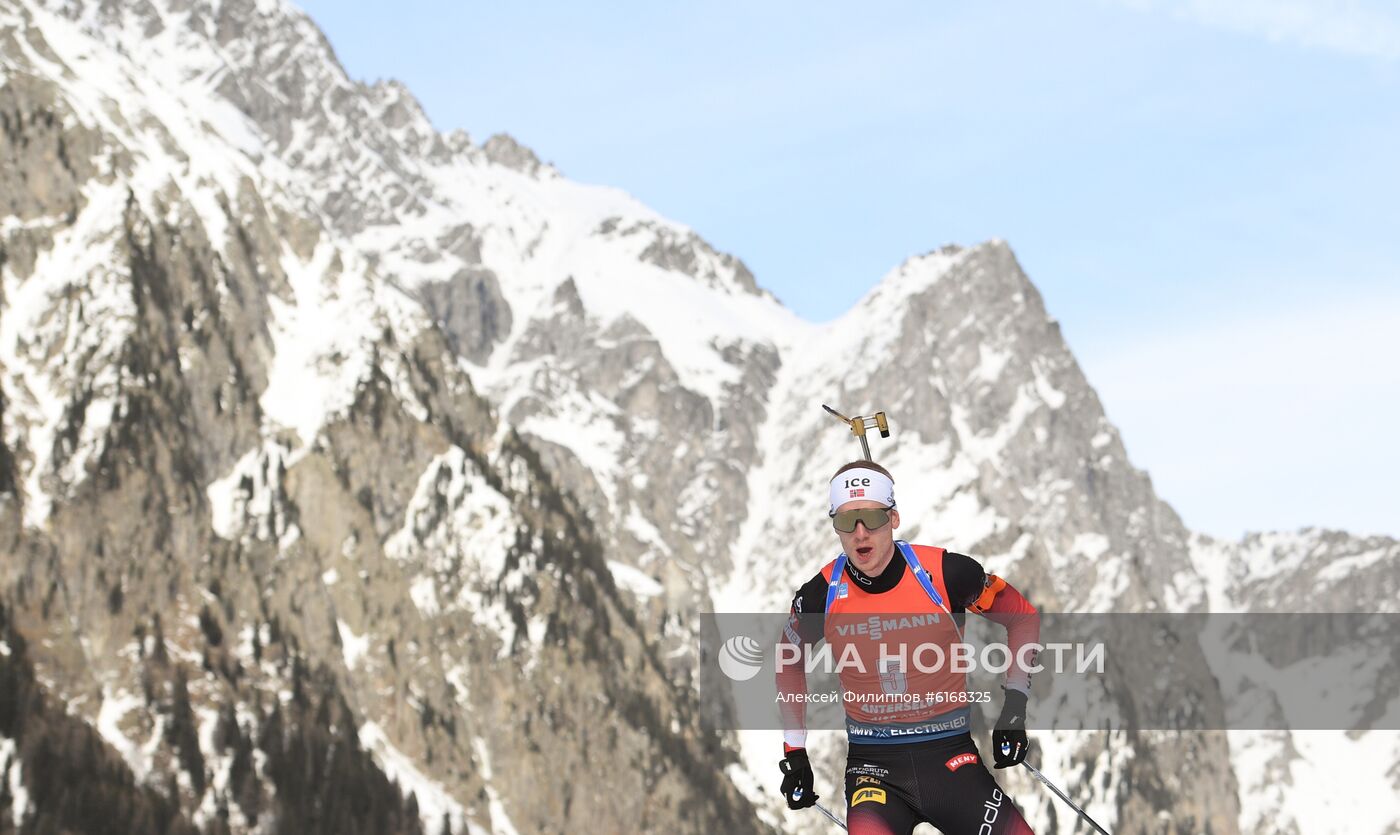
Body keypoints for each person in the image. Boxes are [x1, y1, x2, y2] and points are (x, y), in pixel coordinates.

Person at [776, 461, 1039, 834]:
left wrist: (1014, 709)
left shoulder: (947, 574)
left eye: (872, 517)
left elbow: (1022, 617)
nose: (860, 533)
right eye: (847, 521)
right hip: (873, 772)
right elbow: (788, 659)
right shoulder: (821, 594)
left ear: (893, 518)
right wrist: (795, 752)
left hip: (952, 761)